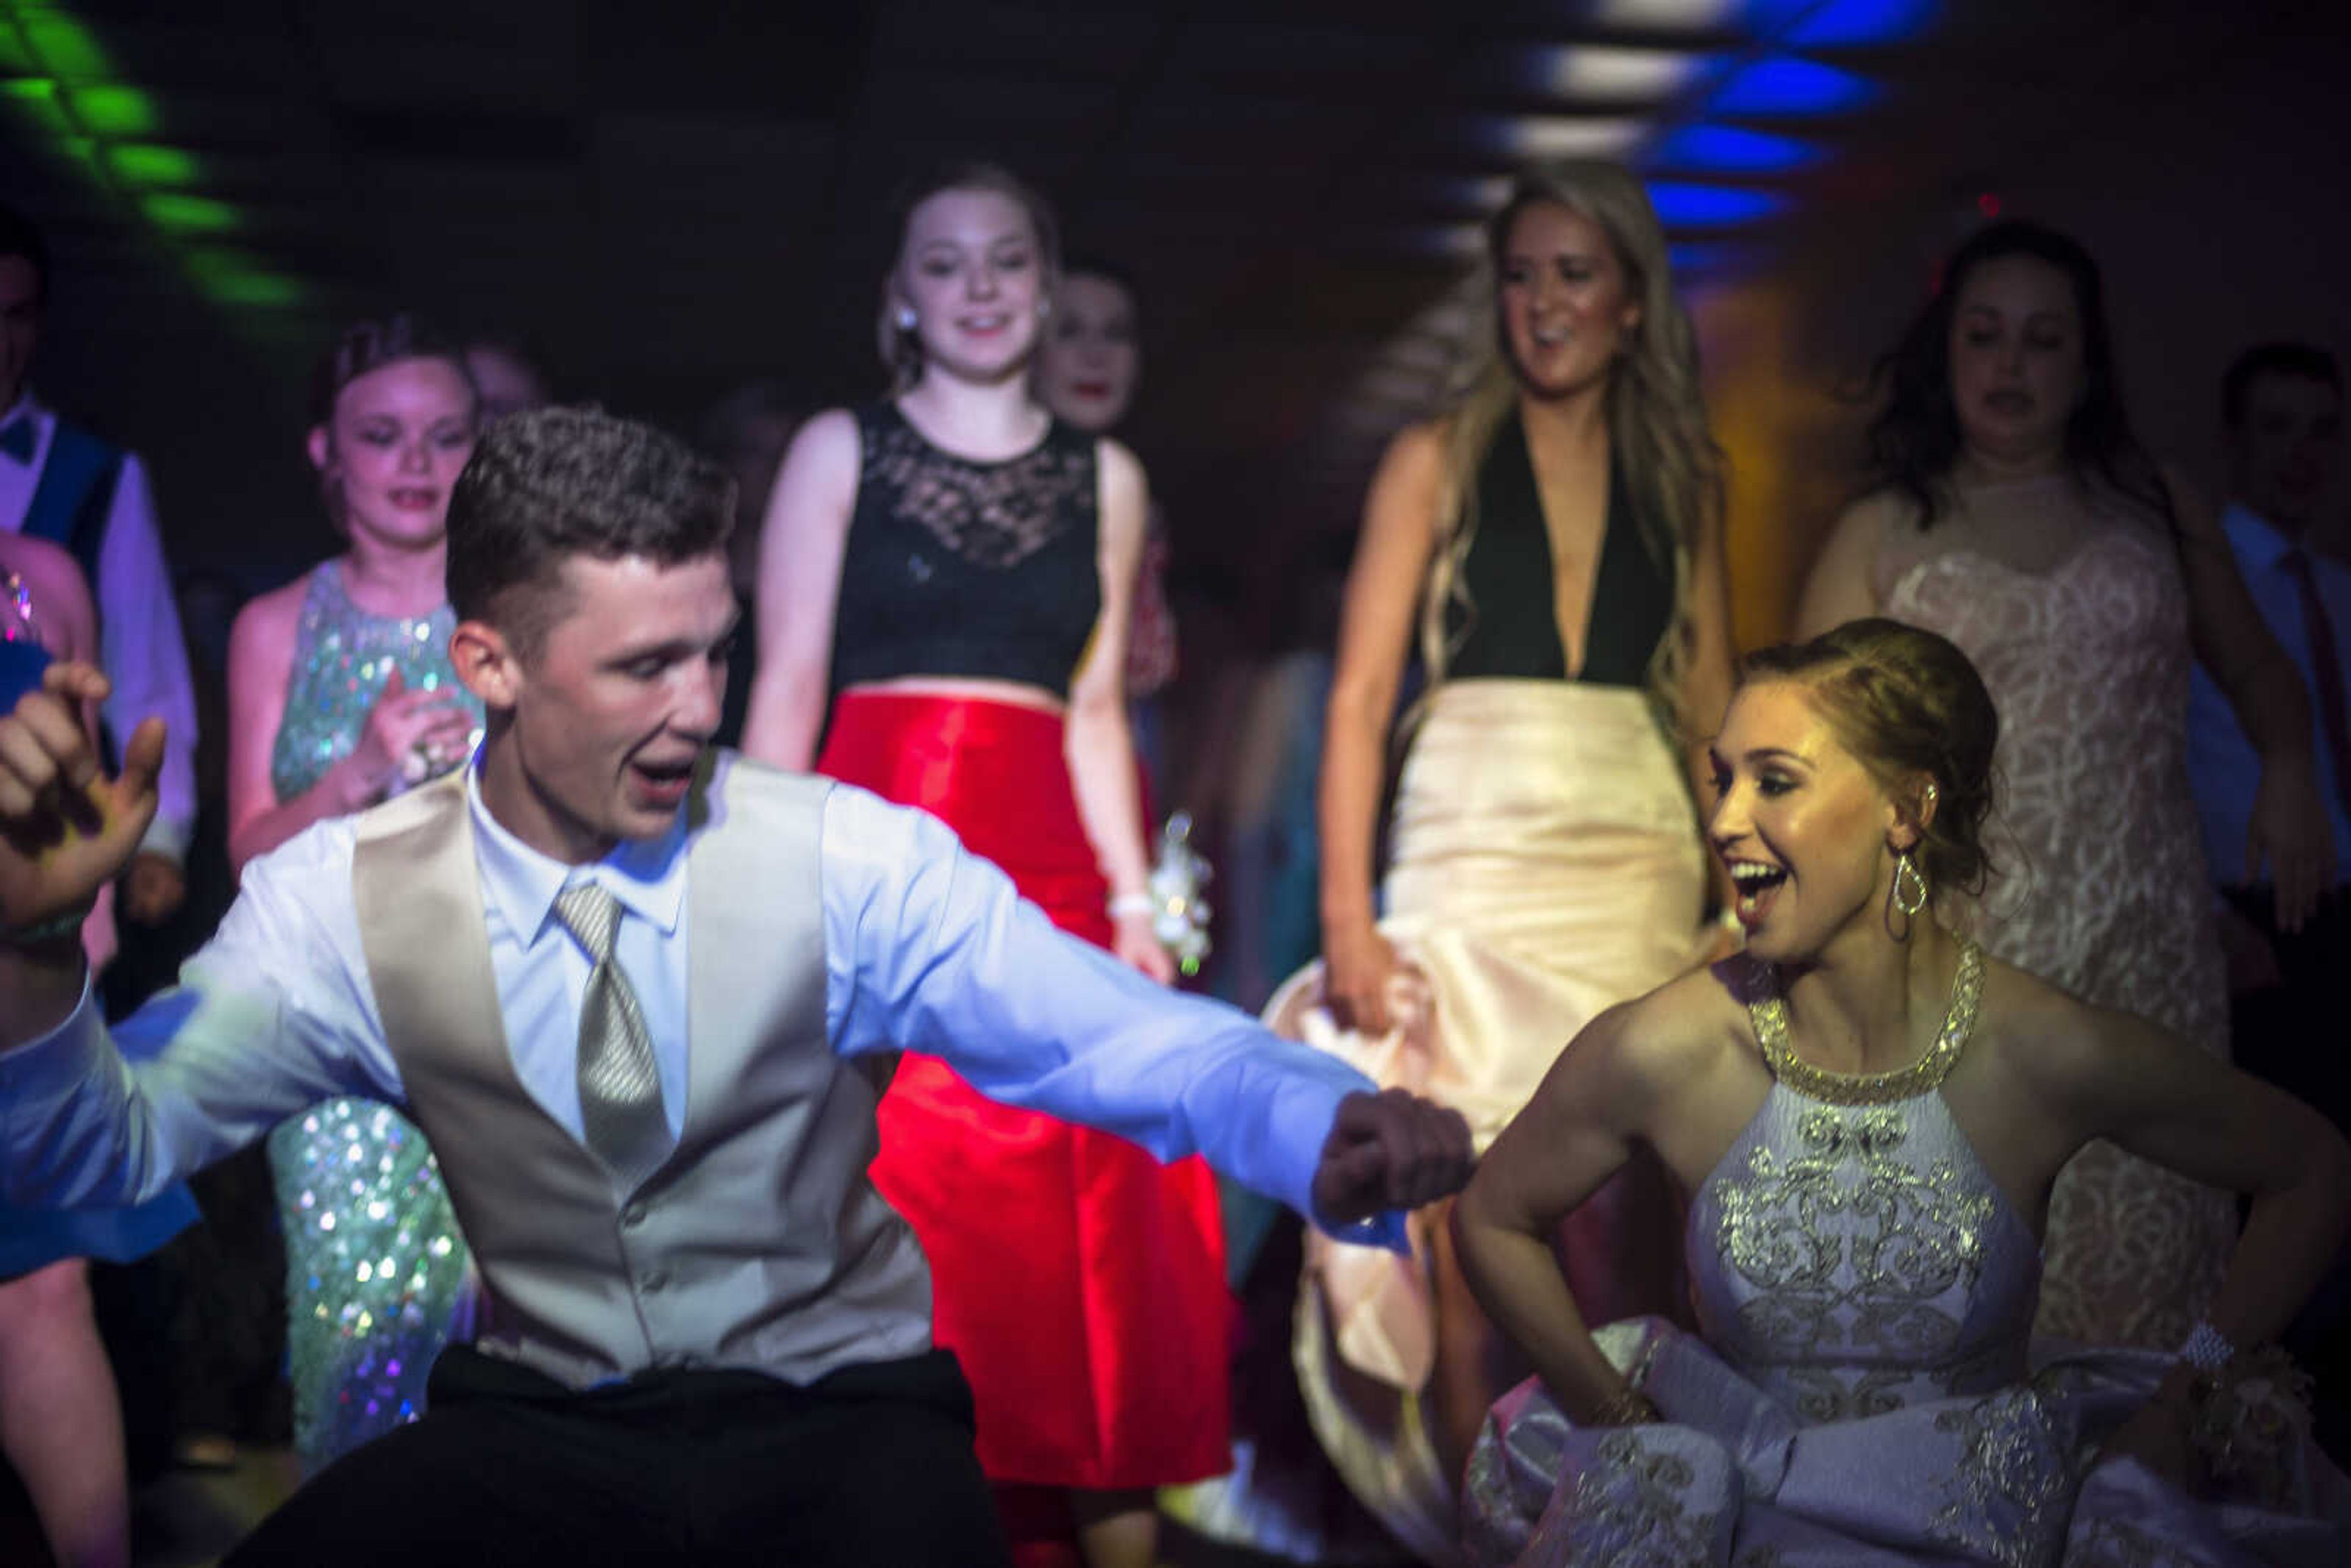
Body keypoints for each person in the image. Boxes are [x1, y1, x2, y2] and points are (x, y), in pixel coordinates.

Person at [0, 405, 1475, 1566]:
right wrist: (25, 948)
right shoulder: (341, 900)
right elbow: (106, 1145)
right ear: (486, 664)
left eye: (715, 654)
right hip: (539, 1424)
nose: (698, 709)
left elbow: (1115, 1033)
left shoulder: (844, 852)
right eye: (643, 666)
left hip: (839, 1422)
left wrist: (1317, 1117)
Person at [1455, 618, 2351, 1566]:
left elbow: (2313, 1168)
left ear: (1905, 809)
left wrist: (2186, 1401)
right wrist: (1617, 1414)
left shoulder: (2043, 1050)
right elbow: (1491, 1216)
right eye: (1723, 777)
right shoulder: (1666, 1048)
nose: (1722, 819)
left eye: (1775, 780)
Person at [743, 164, 1218, 1568]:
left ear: (1046, 281)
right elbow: (784, 680)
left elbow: (1087, 713)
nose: (980, 286)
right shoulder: (841, 447)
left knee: (1078, 1245)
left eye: (1006, 259)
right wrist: (757, 891)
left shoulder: (1108, 475)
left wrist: (1133, 906)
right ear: (900, 298)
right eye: (943, 264)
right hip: (868, 867)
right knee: (892, 1206)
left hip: (1046, 882)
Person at [1264, 159, 1734, 1558]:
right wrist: (1349, 914)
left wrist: (1735, 890)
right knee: (1472, 1214)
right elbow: (1355, 700)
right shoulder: (1434, 453)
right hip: (1467, 843)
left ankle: (1625, 1515)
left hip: (1633, 851)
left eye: (1571, 274)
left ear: (1632, 305)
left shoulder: (1684, 474)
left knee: (1641, 1209)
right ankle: (1488, 1529)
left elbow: (1713, 701)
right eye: (1517, 275)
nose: (1540, 304)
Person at [1796, 220, 2333, 1351]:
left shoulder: (2156, 504)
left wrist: (2292, 769)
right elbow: (1806, 763)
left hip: (2150, 951)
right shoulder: (1884, 529)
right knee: (1974, 1286)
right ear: (1948, 354)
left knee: (2151, 1265)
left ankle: (2144, 1507)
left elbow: (2256, 670)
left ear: (2085, 366)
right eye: (1985, 336)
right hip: (1961, 956)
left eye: (2043, 341)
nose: (2010, 365)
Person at [223, 315, 485, 1472]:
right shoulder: (277, 623)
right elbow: (246, 852)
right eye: (384, 437)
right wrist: (359, 773)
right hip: (335, 1034)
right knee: (357, 1350)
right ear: (327, 453)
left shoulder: (519, 613)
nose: (417, 465)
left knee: (514, 1369)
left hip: (502, 1023)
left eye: (446, 437)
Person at [0, 535, 198, 1568]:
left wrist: (65, 927)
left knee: (44, 1287)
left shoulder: (40, 577)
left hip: (18, 990)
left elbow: (75, 805)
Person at [2186, 342, 2351, 1450]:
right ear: (2238, 442)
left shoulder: (2338, 588)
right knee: (2279, 1200)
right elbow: (2160, 758)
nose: (2301, 454)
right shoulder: (2201, 581)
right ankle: (2257, 1437)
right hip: (2248, 921)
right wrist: (2206, 911)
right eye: (2277, 428)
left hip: (2344, 915)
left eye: (2321, 430)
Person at [0, 201, 200, 939]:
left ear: (40, 323)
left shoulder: (98, 474)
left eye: (14, 316)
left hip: (49, 831)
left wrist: (159, 840)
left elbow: (142, 666)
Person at [1033, 258, 1178, 798]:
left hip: (1118, 754)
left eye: (1115, 334)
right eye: (1069, 331)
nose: (1095, 356)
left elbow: (1146, 670)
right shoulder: (981, 504)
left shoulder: (1131, 488)